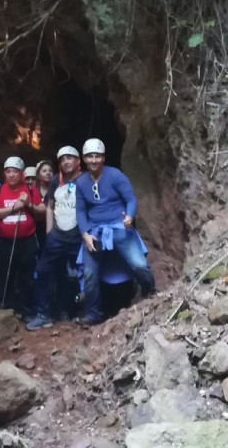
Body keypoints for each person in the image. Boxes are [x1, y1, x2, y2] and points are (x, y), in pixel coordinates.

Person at [76, 139, 155, 327]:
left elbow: (130, 199)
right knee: (89, 273)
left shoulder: (115, 175)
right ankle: (93, 313)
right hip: (95, 231)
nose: (93, 160)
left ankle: (150, 292)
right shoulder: (80, 182)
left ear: (103, 158)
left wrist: (129, 216)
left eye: (97, 156)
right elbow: (80, 211)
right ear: (84, 159)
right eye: (89, 156)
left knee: (139, 264)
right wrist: (85, 234)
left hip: (118, 226)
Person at [26, 147, 84, 330]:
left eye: (70, 158)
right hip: (57, 238)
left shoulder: (87, 180)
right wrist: (50, 233)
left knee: (80, 276)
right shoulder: (55, 181)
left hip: (79, 238)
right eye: (62, 159)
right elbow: (50, 207)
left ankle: (78, 311)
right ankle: (43, 313)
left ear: (78, 161)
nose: (66, 162)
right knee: (41, 272)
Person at [0, 156, 45, 319]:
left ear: (21, 174)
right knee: (4, 274)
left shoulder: (29, 189)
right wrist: (13, 208)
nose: (11, 175)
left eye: (15, 171)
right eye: (8, 171)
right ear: (4, 174)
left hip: (27, 240)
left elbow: (42, 210)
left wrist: (28, 204)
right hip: (5, 241)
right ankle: (4, 308)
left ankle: (26, 310)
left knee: (26, 276)